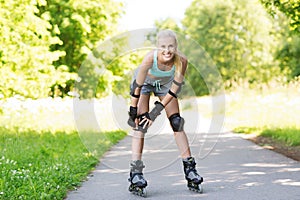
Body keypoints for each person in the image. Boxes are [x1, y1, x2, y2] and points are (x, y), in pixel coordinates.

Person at [127, 29, 203, 196]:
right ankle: (136, 173)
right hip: (145, 84)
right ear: (157, 47)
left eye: (171, 46)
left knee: (177, 122)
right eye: (163, 46)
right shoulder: (149, 59)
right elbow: (137, 87)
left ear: (176, 47)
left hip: (166, 85)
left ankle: (190, 169)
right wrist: (133, 110)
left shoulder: (182, 60)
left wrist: (155, 111)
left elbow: (175, 88)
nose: (167, 50)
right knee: (140, 125)